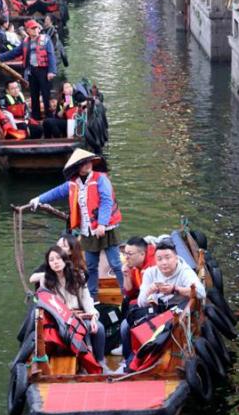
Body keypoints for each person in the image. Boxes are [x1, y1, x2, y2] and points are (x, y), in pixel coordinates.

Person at [29, 149, 124, 301]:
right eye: (83, 163)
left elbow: (107, 201)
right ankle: (92, 296)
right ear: (77, 168)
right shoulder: (74, 184)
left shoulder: (100, 179)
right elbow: (57, 192)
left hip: (105, 228)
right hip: (87, 230)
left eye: (88, 162)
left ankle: (123, 292)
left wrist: (102, 223)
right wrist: (39, 199)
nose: (88, 165)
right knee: (91, 266)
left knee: (115, 263)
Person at [29, 245, 107, 368]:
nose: (55, 262)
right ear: (48, 264)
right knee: (81, 329)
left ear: (65, 260)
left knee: (99, 328)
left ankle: (101, 362)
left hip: (80, 315)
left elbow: (86, 299)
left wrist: (93, 317)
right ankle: (86, 363)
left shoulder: (77, 276)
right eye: (51, 260)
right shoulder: (46, 281)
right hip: (61, 320)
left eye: (58, 258)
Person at [0, 18, 56, 120]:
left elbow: (51, 55)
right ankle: (35, 117)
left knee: (46, 94)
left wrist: (51, 71)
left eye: (36, 28)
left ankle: (49, 117)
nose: (35, 30)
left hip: (44, 71)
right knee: (34, 94)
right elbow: (13, 53)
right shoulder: (26, 42)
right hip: (32, 71)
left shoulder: (46, 39)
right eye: (33, 28)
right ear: (28, 31)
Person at [137, 240, 206, 308]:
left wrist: (174, 290)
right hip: (158, 309)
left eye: (168, 258)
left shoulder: (185, 271)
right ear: (155, 261)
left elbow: (201, 293)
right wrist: (149, 291)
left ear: (176, 258)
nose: (164, 263)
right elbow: (141, 304)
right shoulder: (150, 273)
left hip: (179, 309)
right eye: (159, 259)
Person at [122, 237, 157, 302]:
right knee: (126, 300)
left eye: (130, 254)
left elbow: (154, 297)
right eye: (125, 253)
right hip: (144, 296)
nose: (126, 257)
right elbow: (130, 293)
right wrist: (126, 275)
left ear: (142, 254)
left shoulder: (153, 267)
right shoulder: (135, 265)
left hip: (157, 300)